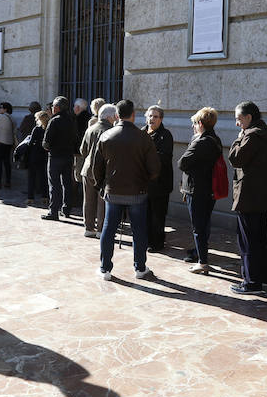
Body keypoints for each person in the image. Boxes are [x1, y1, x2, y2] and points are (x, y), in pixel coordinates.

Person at [91, 99, 160, 281]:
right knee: (139, 230)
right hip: (137, 192)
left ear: (116, 116)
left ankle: (105, 268)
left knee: (109, 229)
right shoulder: (143, 137)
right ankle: (140, 267)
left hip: (112, 191)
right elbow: (154, 169)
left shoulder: (106, 136)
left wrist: (101, 185)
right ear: (133, 115)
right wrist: (144, 181)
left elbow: (95, 167)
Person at [228, 101, 267, 294]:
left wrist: (238, 138)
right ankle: (264, 277)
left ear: (249, 118)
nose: (237, 124)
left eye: (238, 119)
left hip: (248, 196)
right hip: (262, 195)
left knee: (248, 240)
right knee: (259, 238)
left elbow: (235, 158)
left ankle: (251, 282)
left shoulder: (250, 136)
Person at [177, 107, 222, 274]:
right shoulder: (214, 139)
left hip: (197, 190)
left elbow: (182, 163)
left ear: (200, 124)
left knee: (198, 227)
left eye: (195, 123)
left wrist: (194, 141)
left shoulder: (201, 141)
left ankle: (202, 261)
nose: (193, 127)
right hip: (207, 189)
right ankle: (201, 255)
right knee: (204, 224)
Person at [79, 104, 116, 237]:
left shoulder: (91, 128)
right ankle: (101, 230)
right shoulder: (111, 130)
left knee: (88, 200)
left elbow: (82, 150)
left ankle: (88, 228)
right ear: (109, 117)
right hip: (103, 170)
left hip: (87, 168)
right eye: (114, 116)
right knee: (102, 201)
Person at [143, 105, 173, 252]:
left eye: (155, 117)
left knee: (158, 215)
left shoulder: (165, 135)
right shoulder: (141, 133)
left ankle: (157, 243)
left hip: (160, 183)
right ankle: (146, 240)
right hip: (143, 182)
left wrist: (145, 157)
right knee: (145, 214)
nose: (152, 119)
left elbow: (164, 158)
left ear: (161, 119)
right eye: (150, 116)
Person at [42, 96, 76, 221]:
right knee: (67, 183)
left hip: (56, 156)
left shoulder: (54, 120)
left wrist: (48, 147)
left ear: (56, 108)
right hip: (68, 155)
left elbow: (46, 142)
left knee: (54, 184)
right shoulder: (71, 119)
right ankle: (66, 209)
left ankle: (53, 211)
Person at [0, 102, 16, 189]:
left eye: (1, 107)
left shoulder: (1, 116)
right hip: (8, 143)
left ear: (5, 109)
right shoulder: (12, 117)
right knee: (7, 163)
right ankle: (8, 181)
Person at [26, 110, 50, 205]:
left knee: (31, 177)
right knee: (43, 177)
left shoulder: (36, 129)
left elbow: (31, 142)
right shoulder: (48, 128)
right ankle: (44, 197)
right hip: (44, 155)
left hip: (35, 155)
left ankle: (30, 197)